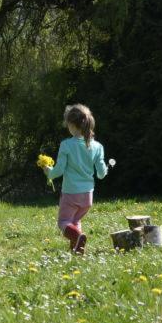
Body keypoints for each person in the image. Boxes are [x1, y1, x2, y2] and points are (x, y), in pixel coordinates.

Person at [43, 104, 108, 254]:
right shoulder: (98, 146)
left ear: (72, 125)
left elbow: (58, 170)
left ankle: (78, 237)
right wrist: (105, 169)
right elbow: (101, 174)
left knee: (63, 222)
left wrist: (48, 172)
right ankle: (77, 250)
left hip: (71, 193)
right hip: (87, 196)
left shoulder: (66, 145)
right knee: (75, 221)